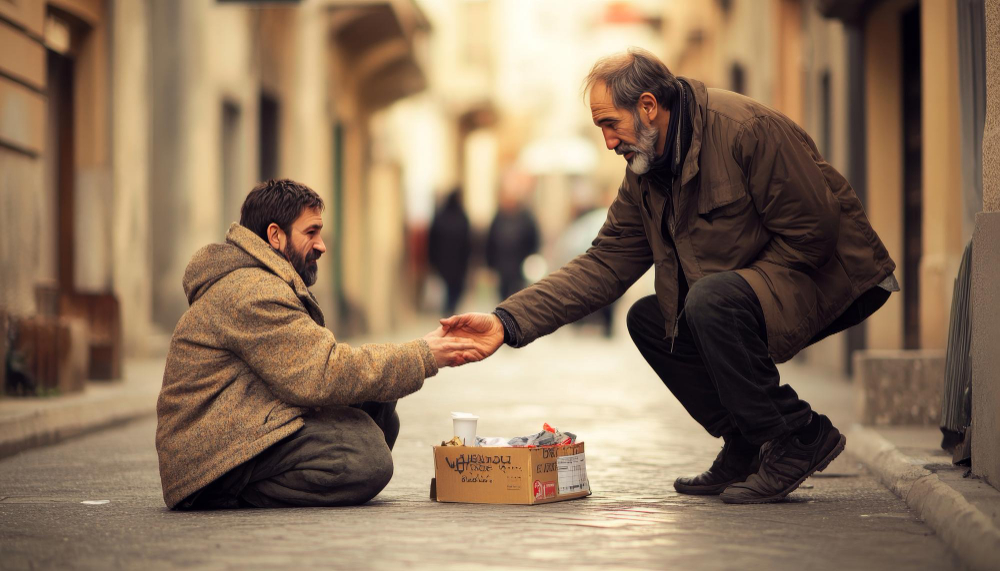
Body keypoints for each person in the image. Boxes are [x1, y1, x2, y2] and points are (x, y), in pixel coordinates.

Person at [441, 48, 898, 504]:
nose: (608, 142)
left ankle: (797, 433)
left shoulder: (745, 130)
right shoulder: (644, 173)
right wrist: (506, 321)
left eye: (609, 124)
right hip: (751, 285)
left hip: (832, 274)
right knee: (650, 318)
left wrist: (728, 293)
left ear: (647, 106)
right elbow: (602, 264)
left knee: (708, 300)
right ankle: (746, 443)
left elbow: (814, 230)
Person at [155, 179, 477, 510]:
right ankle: (235, 492)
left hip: (243, 422)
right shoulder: (252, 292)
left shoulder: (263, 280)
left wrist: (417, 355)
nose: (322, 245)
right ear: (275, 236)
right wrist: (423, 355)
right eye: (311, 233)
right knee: (365, 457)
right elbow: (323, 372)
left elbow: (319, 368)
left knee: (378, 407)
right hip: (208, 461)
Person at [486, 183, 540, 300]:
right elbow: (490, 242)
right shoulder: (498, 217)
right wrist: (490, 264)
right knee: (503, 297)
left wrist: (531, 259)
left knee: (517, 296)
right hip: (502, 267)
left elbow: (533, 239)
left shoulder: (525, 218)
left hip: (519, 266)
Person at [428, 189, 472, 315]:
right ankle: (450, 311)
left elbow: (432, 241)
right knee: (454, 290)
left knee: (450, 290)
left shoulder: (440, 217)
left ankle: (449, 312)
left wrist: (432, 261)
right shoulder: (462, 217)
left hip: (445, 263)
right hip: (456, 264)